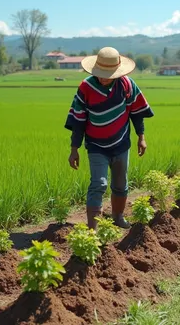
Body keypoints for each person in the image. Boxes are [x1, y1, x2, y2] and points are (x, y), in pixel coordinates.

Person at [64, 47, 154, 230]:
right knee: (98, 184)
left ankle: (118, 217)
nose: (104, 77)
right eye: (101, 73)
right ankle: (92, 230)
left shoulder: (127, 85)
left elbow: (136, 113)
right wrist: (74, 149)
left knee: (121, 184)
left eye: (109, 74)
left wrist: (141, 137)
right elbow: (78, 120)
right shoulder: (86, 87)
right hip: (96, 145)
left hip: (121, 144)